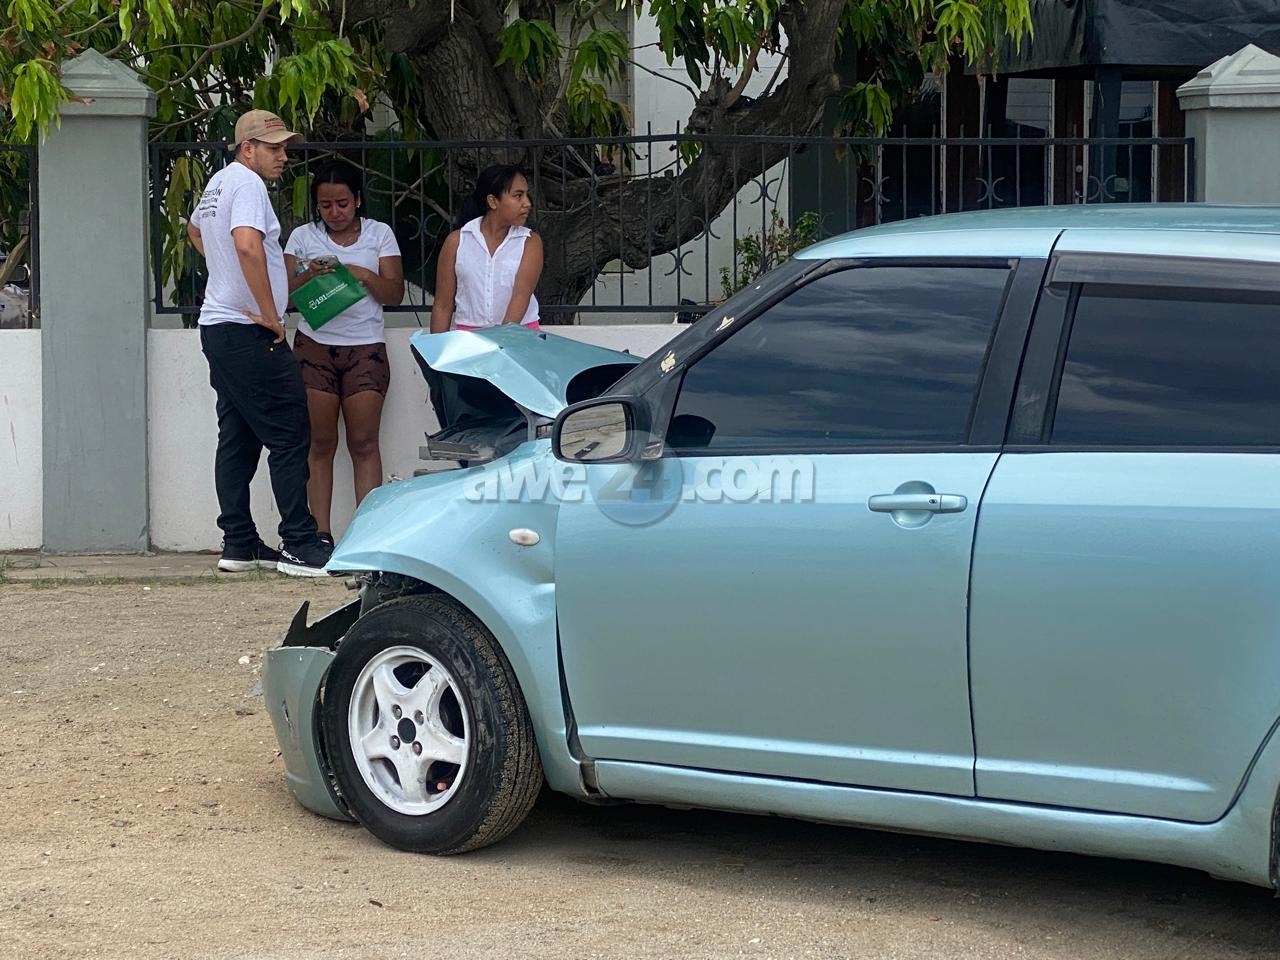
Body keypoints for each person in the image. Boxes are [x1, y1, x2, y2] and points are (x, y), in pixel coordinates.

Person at [186, 109, 331, 577]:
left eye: (284, 147)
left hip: (219, 327)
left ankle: (239, 542)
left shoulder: (218, 183)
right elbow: (248, 245)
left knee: (238, 435)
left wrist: (224, 272)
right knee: (290, 433)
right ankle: (300, 543)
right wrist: (270, 313)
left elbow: (195, 229)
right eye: (274, 148)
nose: (283, 156)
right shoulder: (248, 185)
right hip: (249, 330)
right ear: (247, 148)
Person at [284, 161, 404, 549]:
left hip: (365, 347)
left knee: (364, 443)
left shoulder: (379, 234)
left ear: (358, 200)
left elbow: (394, 294)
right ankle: (320, 537)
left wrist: (364, 275)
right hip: (314, 346)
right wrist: (311, 274)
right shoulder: (302, 237)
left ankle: (365, 538)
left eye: (342, 204)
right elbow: (283, 297)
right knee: (319, 444)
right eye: (325, 205)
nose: (334, 213)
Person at [430, 165, 543, 333]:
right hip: (469, 338)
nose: (527, 203)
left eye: (527, 195)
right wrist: (436, 347)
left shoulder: (530, 242)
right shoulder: (457, 241)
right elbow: (442, 305)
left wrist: (499, 342)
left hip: (519, 335)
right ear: (493, 201)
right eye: (518, 196)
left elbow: (521, 296)